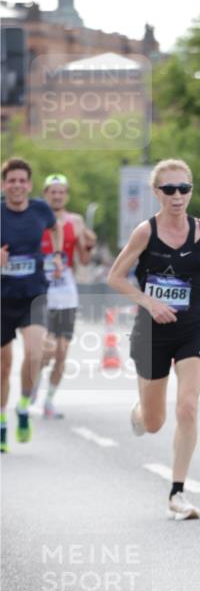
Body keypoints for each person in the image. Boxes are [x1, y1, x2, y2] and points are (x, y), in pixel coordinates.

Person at [107, 159, 200, 520]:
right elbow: (115, 277)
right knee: (154, 421)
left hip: (191, 327)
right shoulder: (144, 233)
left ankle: (177, 493)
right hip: (151, 331)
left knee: (188, 406)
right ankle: (139, 412)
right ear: (157, 193)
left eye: (184, 188)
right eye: (169, 190)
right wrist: (149, 302)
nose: (178, 196)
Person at [1, 158, 62, 452]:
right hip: (2, 297)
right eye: (11, 180)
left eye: (21, 180)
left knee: (36, 353)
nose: (16, 186)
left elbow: (55, 228)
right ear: (4, 185)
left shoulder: (41, 209)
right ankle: (1, 421)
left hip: (34, 293)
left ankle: (23, 406)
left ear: (29, 184)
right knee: (3, 367)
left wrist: (59, 254)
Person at [34, 173, 97, 419]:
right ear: (45, 194)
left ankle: (49, 400)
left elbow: (83, 259)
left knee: (61, 353)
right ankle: (33, 389)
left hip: (66, 292)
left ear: (66, 195)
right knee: (46, 350)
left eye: (61, 192)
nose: (57, 196)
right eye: (53, 192)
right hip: (40, 291)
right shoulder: (35, 218)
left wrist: (89, 246)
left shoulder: (76, 221)